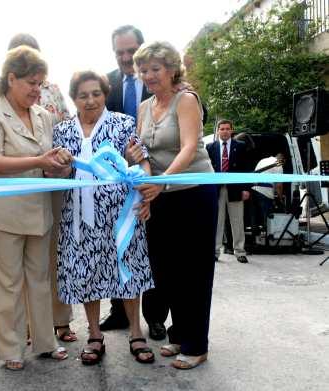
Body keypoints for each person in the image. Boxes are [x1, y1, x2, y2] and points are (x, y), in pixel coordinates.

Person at [0, 45, 70, 371]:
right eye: (31, 82)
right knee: (7, 285)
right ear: (11, 78)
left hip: (39, 212)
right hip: (4, 214)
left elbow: (45, 163)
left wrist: (58, 164)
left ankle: (45, 342)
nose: (36, 89)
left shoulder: (43, 115)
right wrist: (41, 160)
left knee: (40, 280)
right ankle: (11, 349)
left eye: (40, 83)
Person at [54, 70, 155, 365]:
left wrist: (146, 196)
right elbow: (55, 172)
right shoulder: (61, 132)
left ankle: (136, 333)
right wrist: (58, 167)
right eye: (83, 95)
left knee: (128, 273)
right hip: (78, 219)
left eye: (96, 94)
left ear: (105, 95)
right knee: (88, 273)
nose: (90, 100)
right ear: (74, 98)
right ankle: (95, 335)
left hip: (121, 216)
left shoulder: (123, 124)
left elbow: (143, 162)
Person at [132, 41, 218, 369]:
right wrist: (140, 168)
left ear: (171, 70)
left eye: (155, 68)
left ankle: (197, 345)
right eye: (144, 69)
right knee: (168, 272)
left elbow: (190, 146)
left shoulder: (186, 100)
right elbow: (144, 152)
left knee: (194, 271)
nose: (148, 75)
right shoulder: (143, 107)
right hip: (159, 195)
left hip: (194, 192)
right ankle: (179, 335)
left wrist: (163, 180)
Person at [7, 33, 76, 343]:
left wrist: (63, 163)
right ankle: (29, 326)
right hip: (19, 188)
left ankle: (61, 321)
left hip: (53, 183)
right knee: (23, 262)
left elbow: (67, 129)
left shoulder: (54, 91)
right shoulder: (1, 95)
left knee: (55, 255)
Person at [102, 25, 166, 342]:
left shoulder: (160, 78)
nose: (126, 58)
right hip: (116, 183)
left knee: (154, 251)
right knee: (121, 245)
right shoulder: (107, 83)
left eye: (131, 51)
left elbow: (196, 110)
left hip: (155, 179)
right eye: (120, 52)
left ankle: (155, 318)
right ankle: (119, 312)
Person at [206, 120, 250, 263]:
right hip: (216, 190)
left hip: (235, 189)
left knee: (237, 221)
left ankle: (240, 251)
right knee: (216, 222)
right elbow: (206, 170)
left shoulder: (241, 147)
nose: (224, 131)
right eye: (222, 129)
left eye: (227, 129)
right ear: (218, 131)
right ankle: (215, 251)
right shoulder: (210, 147)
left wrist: (246, 188)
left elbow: (246, 169)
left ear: (232, 130)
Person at [251, 153, 285, 229]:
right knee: (267, 217)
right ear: (282, 160)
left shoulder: (262, 160)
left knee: (254, 216)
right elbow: (279, 185)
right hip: (265, 192)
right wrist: (280, 198)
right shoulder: (278, 163)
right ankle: (267, 237)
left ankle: (255, 236)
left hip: (254, 190)